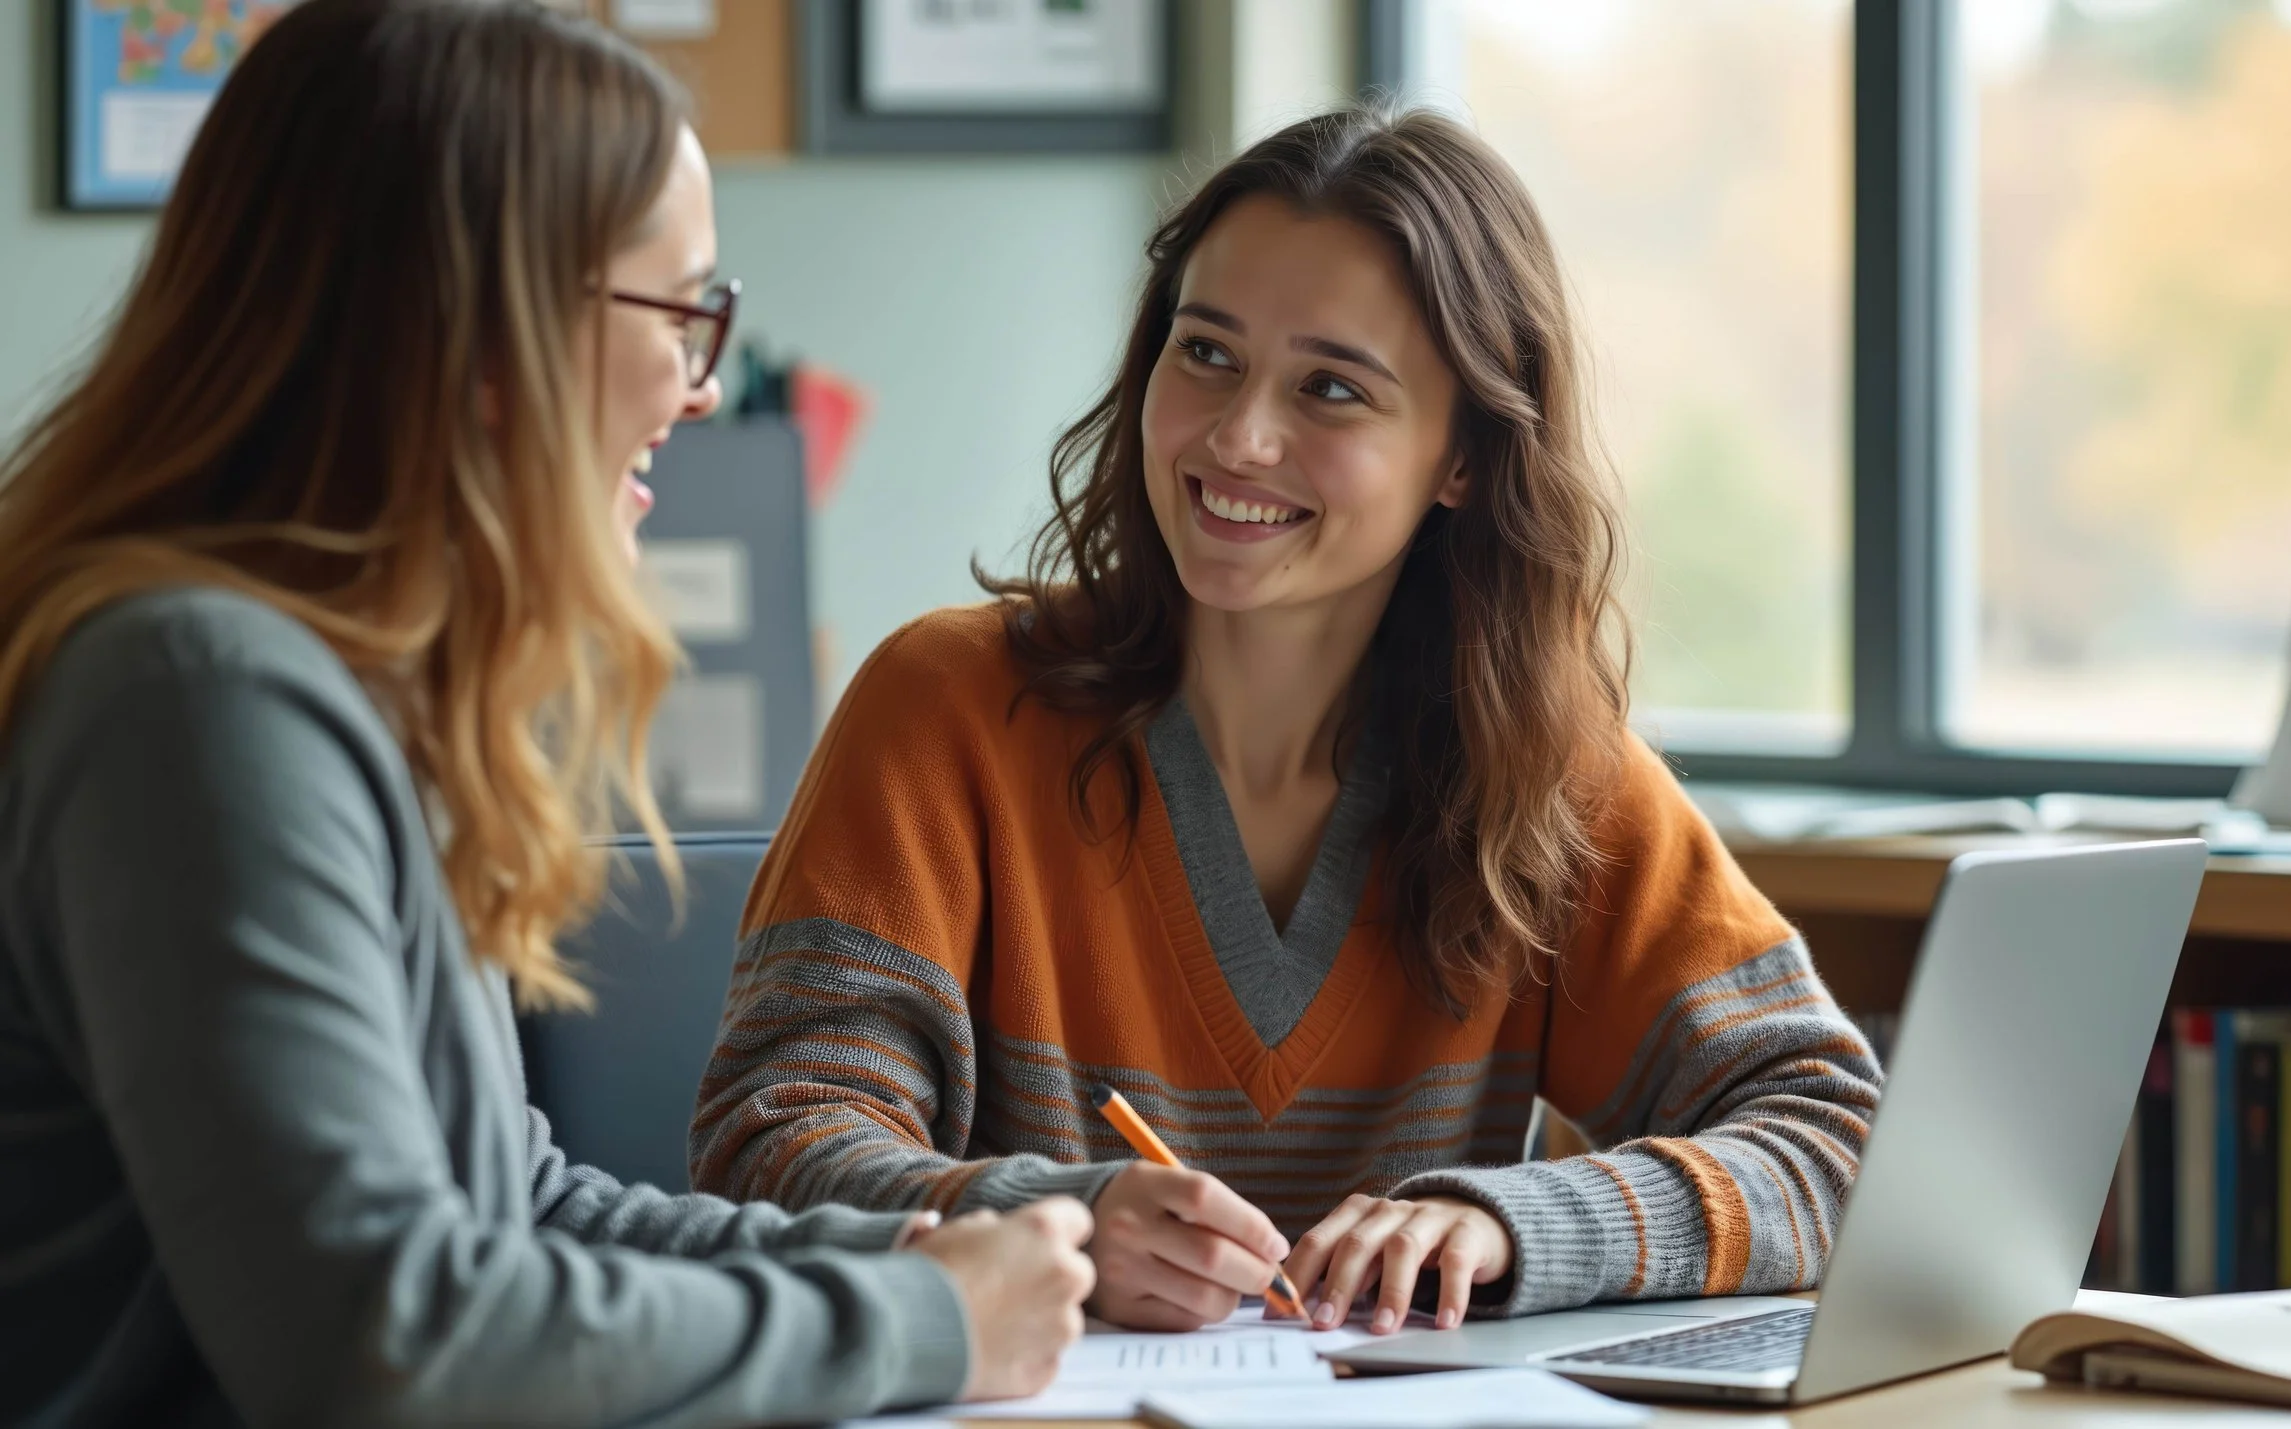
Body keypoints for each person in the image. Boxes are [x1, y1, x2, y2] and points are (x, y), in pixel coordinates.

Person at [0, 3, 1092, 1424]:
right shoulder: (199, 704)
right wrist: (917, 1319)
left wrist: (912, 1257)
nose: (702, 391)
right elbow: (388, 1336)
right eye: (682, 312)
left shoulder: (330, 692)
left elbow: (514, 1211)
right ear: (486, 329)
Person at [692, 106, 1882, 1338]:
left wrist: (1509, 1223)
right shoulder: (945, 706)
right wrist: (1050, 1217)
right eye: (1204, 354)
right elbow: (767, 1138)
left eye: (1329, 389)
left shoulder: (1550, 775)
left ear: (1461, 458)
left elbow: (1841, 1142)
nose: (1237, 437)